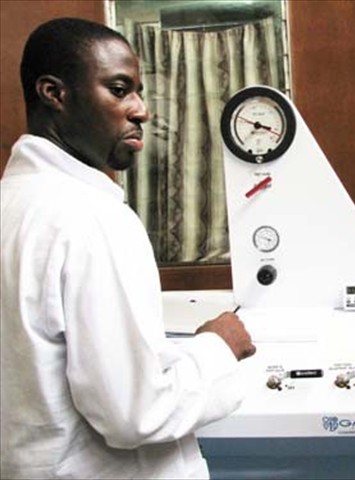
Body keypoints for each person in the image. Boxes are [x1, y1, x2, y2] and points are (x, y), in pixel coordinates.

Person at [0, 17, 256, 479]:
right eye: (119, 90)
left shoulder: (13, 205)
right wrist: (219, 346)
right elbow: (136, 411)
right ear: (54, 93)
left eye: (138, 91)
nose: (141, 110)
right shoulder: (90, 218)